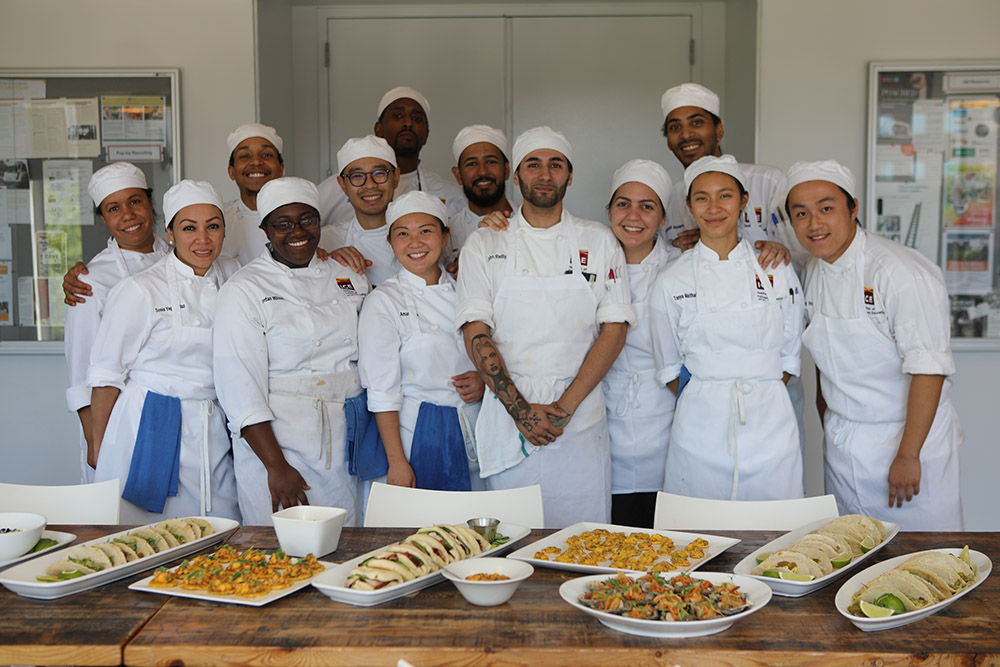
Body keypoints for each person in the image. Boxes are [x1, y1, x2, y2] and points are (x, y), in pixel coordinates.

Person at [456, 126, 634, 529]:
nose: (544, 174)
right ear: (515, 176)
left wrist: (563, 409)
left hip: (580, 418)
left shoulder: (599, 240)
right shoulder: (484, 244)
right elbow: (475, 333)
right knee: (509, 542)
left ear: (570, 176)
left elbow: (614, 330)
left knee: (584, 543)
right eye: (532, 165)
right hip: (508, 415)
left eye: (556, 165)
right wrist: (520, 411)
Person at [785, 160, 964, 530]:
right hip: (845, 446)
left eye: (826, 208)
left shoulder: (898, 272)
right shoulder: (813, 270)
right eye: (800, 213)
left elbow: (928, 367)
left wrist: (908, 454)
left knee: (924, 561)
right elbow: (824, 358)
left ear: (853, 208)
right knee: (852, 555)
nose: (814, 223)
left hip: (906, 442)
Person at [214, 177, 369, 526]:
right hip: (281, 442)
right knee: (286, 552)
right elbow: (238, 386)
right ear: (265, 228)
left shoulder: (348, 276)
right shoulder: (245, 289)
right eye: (282, 224)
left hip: (349, 436)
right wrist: (275, 465)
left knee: (350, 541)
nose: (297, 231)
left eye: (307, 220)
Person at [649, 155, 804, 501]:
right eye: (702, 197)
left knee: (772, 531)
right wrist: (712, 398)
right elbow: (670, 366)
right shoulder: (671, 280)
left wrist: (757, 392)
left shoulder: (775, 269)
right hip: (699, 426)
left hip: (770, 422)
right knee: (699, 531)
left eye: (725, 195)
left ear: (744, 201)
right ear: (688, 206)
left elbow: (789, 357)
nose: (714, 207)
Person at [88, 180, 241, 524]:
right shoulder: (140, 289)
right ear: (170, 233)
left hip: (214, 420)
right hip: (152, 421)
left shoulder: (236, 275)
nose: (202, 239)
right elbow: (105, 376)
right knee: (150, 531)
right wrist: (99, 446)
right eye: (189, 228)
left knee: (219, 523)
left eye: (212, 227)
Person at [358, 190, 486, 493]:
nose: (415, 244)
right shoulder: (383, 300)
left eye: (425, 231)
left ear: (445, 237)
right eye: (403, 234)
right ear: (390, 242)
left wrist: (485, 382)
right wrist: (397, 462)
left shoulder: (468, 289)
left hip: (473, 428)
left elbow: (496, 350)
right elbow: (381, 391)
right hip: (412, 436)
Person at [64, 163, 170, 484]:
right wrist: (96, 443)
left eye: (135, 201)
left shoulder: (178, 257)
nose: (128, 215)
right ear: (103, 218)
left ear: (151, 203)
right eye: (114, 208)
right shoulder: (92, 280)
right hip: (114, 420)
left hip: (167, 414)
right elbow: (81, 374)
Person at [602, 159, 681, 528]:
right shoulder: (589, 259)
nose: (633, 215)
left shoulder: (682, 267)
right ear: (609, 211)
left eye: (647, 206)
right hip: (603, 417)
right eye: (623, 204)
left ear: (663, 218)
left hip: (667, 415)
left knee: (664, 530)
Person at [317, 86, 464, 227]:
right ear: (379, 129)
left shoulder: (451, 194)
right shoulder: (335, 189)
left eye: (417, 118)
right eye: (397, 116)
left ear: (426, 135)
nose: (408, 123)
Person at [319, 135, 401, 285]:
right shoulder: (324, 241)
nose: (369, 185)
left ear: (395, 178)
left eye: (379, 173)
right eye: (357, 176)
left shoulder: (424, 237)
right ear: (343, 185)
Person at [446, 125, 514, 264]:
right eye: (472, 164)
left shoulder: (529, 223)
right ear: (458, 175)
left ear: (506, 170)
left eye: (491, 162)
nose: (482, 172)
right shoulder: (447, 234)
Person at [220, 123, 285, 265]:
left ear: (281, 168)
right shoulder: (217, 222)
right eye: (245, 156)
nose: (256, 161)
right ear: (231, 171)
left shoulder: (301, 222)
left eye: (266, 155)